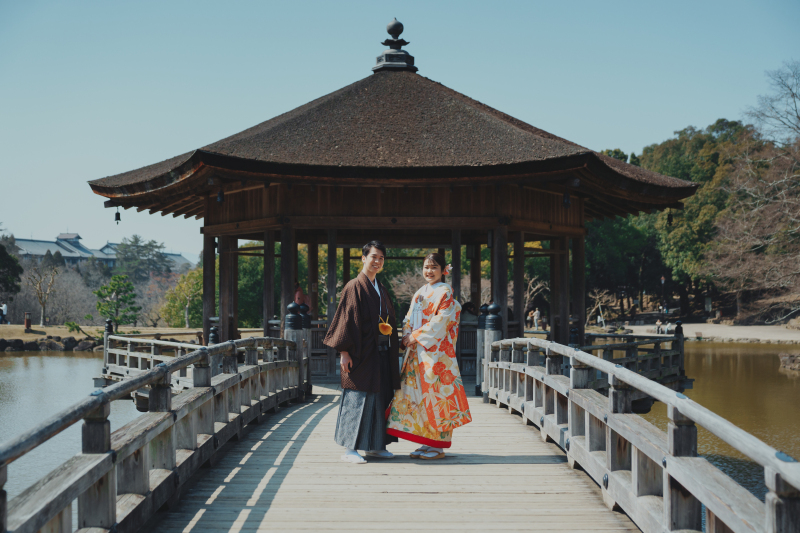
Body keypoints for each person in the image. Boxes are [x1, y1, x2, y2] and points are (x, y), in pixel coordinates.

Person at [386, 253, 472, 460]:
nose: (429, 271)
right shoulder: (419, 292)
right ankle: (427, 441)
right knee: (418, 398)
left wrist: (413, 336)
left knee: (437, 396)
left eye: (434, 267)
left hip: (436, 354)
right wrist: (406, 335)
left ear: (444, 270)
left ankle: (439, 445)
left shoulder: (445, 292)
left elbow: (440, 322)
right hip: (417, 351)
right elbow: (408, 318)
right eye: (426, 267)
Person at [324, 241, 401, 464]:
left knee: (379, 398)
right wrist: (344, 351)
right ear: (363, 258)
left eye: (381, 258)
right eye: (373, 257)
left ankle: (375, 446)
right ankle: (350, 448)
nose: (377, 261)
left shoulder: (381, 288)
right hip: (360, 352)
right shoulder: (353, 286)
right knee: (357, 397)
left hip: (381, 352)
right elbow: (346, 321)